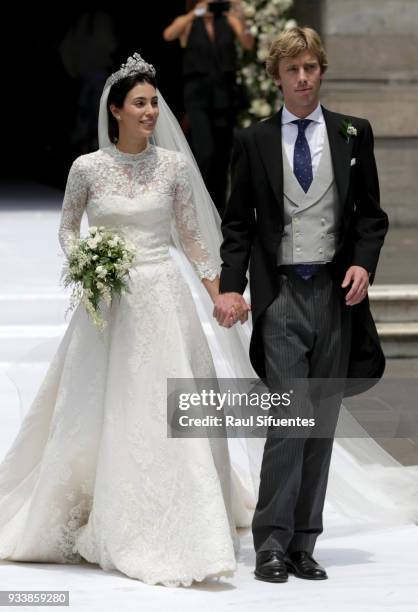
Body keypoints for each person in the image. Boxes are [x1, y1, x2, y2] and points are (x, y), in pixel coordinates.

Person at [0, 53, 250, 587]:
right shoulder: (86, 168)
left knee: (163, 404)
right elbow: (68, 228)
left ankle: (187, 519)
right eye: (139, 103)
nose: (150, 111)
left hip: (162, 298)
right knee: (105, 407)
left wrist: (219, 292)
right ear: (115, 110)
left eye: (154, 102)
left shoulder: (175, 169)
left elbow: (191, 235)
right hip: (109, 305)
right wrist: (87, 261)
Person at [213, 27, 391, 582]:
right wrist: (230, 287)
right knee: (290, 420)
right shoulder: (254, 141)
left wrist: (363, 261)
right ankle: (271, 541)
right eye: (293, 70)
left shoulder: (352, 133)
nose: (304, 78)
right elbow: (238, 224)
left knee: (321, 423)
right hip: (283, 294)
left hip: (337, 297)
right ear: (278, 77)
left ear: (321, 71)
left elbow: (370, 215)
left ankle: (303, 543)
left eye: (311, 68)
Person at [163, 0, 253, 216]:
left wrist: (239, 16)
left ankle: (218, 211)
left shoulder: (228, 20)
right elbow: (169, 34)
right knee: (205, 152)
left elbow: (248, 43)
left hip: (224, 96)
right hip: (197, 96)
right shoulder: (188, 22)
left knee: (223, 156)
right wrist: (195, 13)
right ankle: (197, 207)